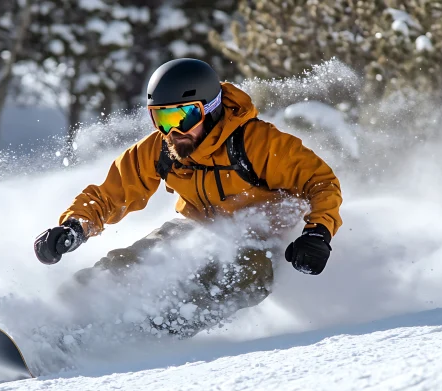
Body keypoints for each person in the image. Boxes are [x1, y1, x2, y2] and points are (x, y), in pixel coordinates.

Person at [34, 58, 342, 338]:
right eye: (161, 119)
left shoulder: (258, 144)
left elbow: (321, 182)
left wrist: (317, 233)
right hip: (196, 229)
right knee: (122, 267)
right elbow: (110, 194)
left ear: (210, 108)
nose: (172, 131)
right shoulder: (162, 148)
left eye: (182, 117)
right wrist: (75, 225)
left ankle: (151, 333)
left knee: (242, 274)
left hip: (264, 242)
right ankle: (48, 324)